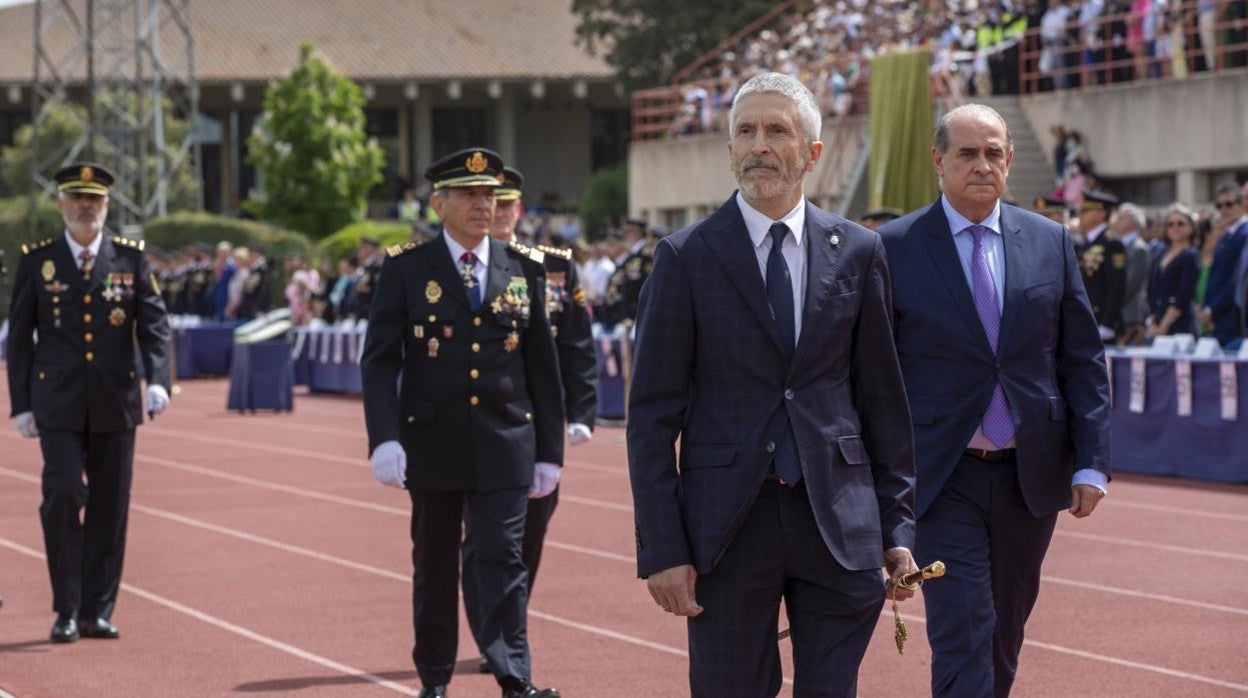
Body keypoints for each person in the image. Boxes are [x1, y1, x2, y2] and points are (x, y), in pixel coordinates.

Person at [627, 72, 918, 697]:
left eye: (777, 130)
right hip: (725, 527)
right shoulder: (684, 258)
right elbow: (651, 418)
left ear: (812, 152)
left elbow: (882, 403)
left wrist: (897, 529)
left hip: (839, 524)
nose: (759, 145)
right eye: (746, 132)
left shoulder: (860, 251)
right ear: (729, 150)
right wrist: (661, 548)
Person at [878, 104, 1110, 698]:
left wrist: (1091, 461)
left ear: (1009, 160)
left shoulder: (1051, 241)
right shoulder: (894, 247)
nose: (983, 165)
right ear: (938, 160)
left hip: (1029, 476)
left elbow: (1081, 358)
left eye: (994, 153)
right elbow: (874, 373)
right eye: (967, 153)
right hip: (940, 474)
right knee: (964, 627)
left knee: (1004, 633)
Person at [360, 148, 563, 698]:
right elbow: (379, 360)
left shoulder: (525, 268)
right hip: (432, 442)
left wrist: (551, 451)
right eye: (470, 195)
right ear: (439, 203)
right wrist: (384, 439)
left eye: (490, 195)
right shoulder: (405, 268)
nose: (483, 204)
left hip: (506, 442)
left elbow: (542, 365)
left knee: (504, 559)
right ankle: (434, 679)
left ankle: (514, 676)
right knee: (434, 567)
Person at [6, 163, 172, 643]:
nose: (85, 207)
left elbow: (156, 327)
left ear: (106, 206)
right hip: (55, 402)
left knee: (110, 506)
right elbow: (19, 338)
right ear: (61, 203)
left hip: (114, 401)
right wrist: (21, 403)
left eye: (94, 200)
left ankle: (96, 609)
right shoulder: (39, 261)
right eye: (77, 198)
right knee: (62, 494)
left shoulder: (131, 260)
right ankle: (66, 605)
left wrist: (159, 379)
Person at [464, 166, 598, 674]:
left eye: (504, 206)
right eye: (487, 204)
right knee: (482, 535)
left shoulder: (553, 268)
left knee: (532, 529)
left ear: (518, 210)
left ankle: (507, 616)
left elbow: (577, 346)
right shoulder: (463, 270)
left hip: (539, 422)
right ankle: (493, 634)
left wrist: (583, 411)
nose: (495, 214)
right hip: (480, 422)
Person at [1198, 183, 1247, 345]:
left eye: (1229, 204)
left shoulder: (1244, 233)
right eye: (1219, 205)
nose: (1223, 210)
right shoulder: (1226, 236)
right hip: (1216, 321)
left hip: (1234, 320)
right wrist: (1206, 310)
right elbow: (1215, 277)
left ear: (1241, 204)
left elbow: (1238, 280)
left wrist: (1211, 310)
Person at [1076, 190, 1127, 341]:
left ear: (1101, 213)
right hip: (1086, 320)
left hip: (1101, 322)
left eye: (1085, 210)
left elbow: (1117, 285)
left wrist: (1108, 323)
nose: (1080, 214)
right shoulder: (1086, 243)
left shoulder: (1111, 242)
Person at [1146, 203, 1200, 337]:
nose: (1175, 227)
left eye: (1180, 223)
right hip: (1156, 322)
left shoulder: (1190, 255)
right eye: (1170, 224)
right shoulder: (1160, 253)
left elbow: (1184, 294)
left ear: (1191, 228)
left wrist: (1164, 325)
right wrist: (1152, 321)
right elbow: (1152, 289)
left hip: (1180, 324)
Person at [1116, 203, 1153, 345]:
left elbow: (1130, 284)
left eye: (1122, 217)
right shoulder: (1118, 245)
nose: (1117, 220)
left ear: (1133, 222)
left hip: (1131, 315)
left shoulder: (1139, 248)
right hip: (1119, 315)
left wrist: (1112, 303)